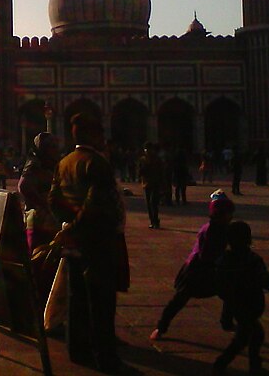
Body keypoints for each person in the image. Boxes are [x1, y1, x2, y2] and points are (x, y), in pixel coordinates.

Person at [49, 112, 125, 373]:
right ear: (93, 135)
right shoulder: (97, 163)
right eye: (101, 133)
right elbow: (95, 205)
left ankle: (77, 351)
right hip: (97, 242)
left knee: (77, 298)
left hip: (74, 242)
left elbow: (53, 199)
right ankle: (105, 358)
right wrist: (76, 226)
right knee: (101, 302)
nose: (104, 138)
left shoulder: (65, 162)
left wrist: (67, 226)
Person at [150, 190, 235, 341]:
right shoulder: (213, 230)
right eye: (228, 213)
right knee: (180, 300)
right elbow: (206, 254)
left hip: (207, 268)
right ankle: (161, 327)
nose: (230, 216)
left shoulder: (221, 228)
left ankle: (227, 321)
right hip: (198, 269)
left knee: (229, 292)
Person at [213, 221, 269, 375]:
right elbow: (267, 282)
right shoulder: (252, 260)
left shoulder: (224, 260)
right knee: (248, 336)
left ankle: (247, 363)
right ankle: (227, 363)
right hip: (251, 303)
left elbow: (220, 286)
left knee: (249, 334)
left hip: (235, 304)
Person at [18, 132, 61, 253]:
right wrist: (43, 204)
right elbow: (23, 186)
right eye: (52, 146)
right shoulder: (34, 164)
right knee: (37, 253)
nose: (55, 150)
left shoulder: (50, 163)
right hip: (37, 218)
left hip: (50, 219)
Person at [138, 142, 165, 229]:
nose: (148, 152)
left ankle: (156, 221)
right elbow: (139, 171)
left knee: (153, 202)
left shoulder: (157, 159)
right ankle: (152, 221)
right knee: (149, 204)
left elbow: (161, 171)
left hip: (155, 183)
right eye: (146, 150)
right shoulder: (143, 160)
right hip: (146, 183)